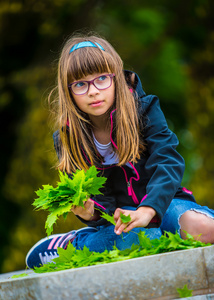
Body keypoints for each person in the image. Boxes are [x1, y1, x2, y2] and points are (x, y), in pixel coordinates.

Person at [26, 33, 214, 269]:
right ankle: (73, 245)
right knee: (144, 241)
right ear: (68, 91)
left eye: (102, 78)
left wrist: (148, 209)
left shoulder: (144, 110)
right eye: (80, 84)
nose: (93, 91)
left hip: (163, 203)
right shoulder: (67, 137)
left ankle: (124, 234)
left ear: (116, 77)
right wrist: (90, 214)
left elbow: (168, 160)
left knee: (205, 230)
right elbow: (95, 199)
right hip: (117, 223)